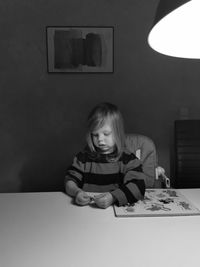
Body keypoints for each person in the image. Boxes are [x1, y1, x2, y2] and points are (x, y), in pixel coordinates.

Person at [65, 102, 146, 209]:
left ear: (118, 133)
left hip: (115, 213)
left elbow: (139, 186)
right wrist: (77, 192)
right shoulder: (83, 158)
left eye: (106, 134)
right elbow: (69, 181)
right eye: (95, 135)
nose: (100, 139)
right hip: (86, 212)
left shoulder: (128, 159)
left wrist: (113, 197)